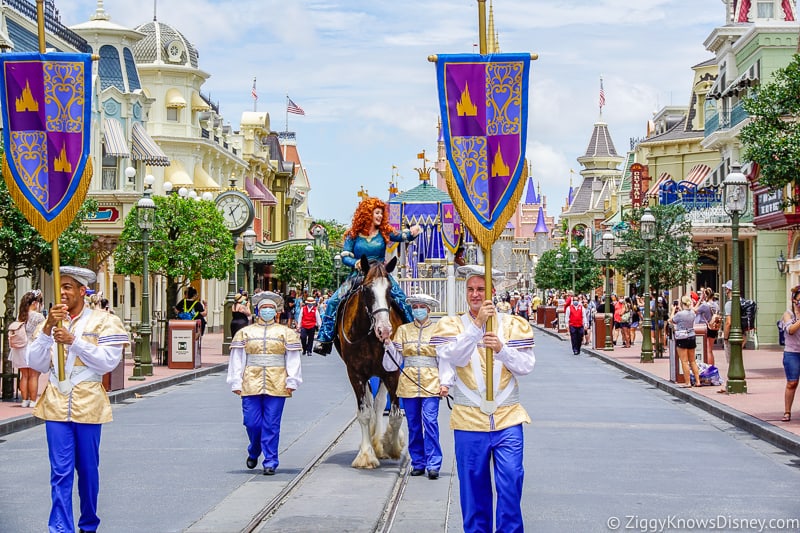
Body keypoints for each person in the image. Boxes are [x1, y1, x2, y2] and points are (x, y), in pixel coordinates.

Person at [27, 266, 129, 533]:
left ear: (83, 291)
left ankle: (88, 523)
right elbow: (35, 363)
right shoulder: (46, 323)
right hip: (56, 403)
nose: (62, 292)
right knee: (59, 471)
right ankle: (60, 527)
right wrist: (48, 328)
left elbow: (108, 361)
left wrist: (73, 341)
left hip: (88, 403)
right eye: (60, 287)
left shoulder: (103, 320)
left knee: (87, 470)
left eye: (68, 287)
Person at [433, 265, 535, 532]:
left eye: (481, 289)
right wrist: (477, 326)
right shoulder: (452, 325)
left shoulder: (513, 325)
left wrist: (502, 350)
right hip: (469, 421)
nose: (475, 295)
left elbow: (525, 367)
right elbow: (454, 357)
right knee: (473, 489)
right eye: (470, 289)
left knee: (511, 481)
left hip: (508, 417)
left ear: (492, 291)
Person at [313, 196, 421, 355]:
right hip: (359, 275)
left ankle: (412, 335)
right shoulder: (353, 235)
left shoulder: (384, 232)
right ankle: (325, 339)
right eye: (376, 213)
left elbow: (401, 236)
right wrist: (355, 262)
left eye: (381, 213)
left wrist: (413, 232)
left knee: (402, 300)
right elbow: (344, 256)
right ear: (366, 213)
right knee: (333, 301)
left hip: (379, 275)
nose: (379, 216)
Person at [227, 291, 302, 475]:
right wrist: (236, 381)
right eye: (264, 308)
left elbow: (293, 358)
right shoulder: (245, 332)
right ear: (258, 310)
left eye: (270, 308)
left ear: (276, 311)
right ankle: (254, 449)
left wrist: (293, 379)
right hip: (250, 381)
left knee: (271, 424)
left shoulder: (286, 333)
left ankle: (270, 460)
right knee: (252, 422)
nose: (267, 311)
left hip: (278, 382)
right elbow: (237, 358)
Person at [383, 293, 447, 479]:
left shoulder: (438, 330)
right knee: (413, 425)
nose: (418, 309)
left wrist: (445, 383)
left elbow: (443, 359)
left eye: (421, 306)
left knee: (430, 422)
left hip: (431, 382)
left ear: (428, 309)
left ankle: (434, 463)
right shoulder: (403, 330)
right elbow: (393, 362)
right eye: (415, 306)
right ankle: (418, 462)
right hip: (409, 381)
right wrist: (388, 343)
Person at [10, 290, 45, 407]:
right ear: (35, 303)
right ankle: (33, 401)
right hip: (33, 347)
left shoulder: (20, 315)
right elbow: (43, 332)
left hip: (20, 348)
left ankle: (24, 400)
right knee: (33, 375)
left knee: (24, 375)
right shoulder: (38, 316)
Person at [779, 285, 800, 422]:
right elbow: (791, 330)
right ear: (794, 300)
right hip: (792, 353)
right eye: (798, 301)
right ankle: (787, 411)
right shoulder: (788, 314)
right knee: (792, 383)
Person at [670, 295, 701, 388]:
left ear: (682, 304)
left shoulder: (679, 314)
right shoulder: (692, 313)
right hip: (692, 336)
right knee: (693, 361)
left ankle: (688, 382)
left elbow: (672, 320)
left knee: (684, 361)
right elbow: (691, 311)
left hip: (682, 337)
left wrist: (672, 310)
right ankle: (698, 381)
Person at [719, 280, 733, 393]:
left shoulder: (729, 304)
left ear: (729, 290)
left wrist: (725, 337)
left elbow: (728, 322)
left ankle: (730, 383)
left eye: (726, 289)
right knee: (736, 359)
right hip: (741, 335)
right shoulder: (740, 301)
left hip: (732, 335)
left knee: (730, 361)